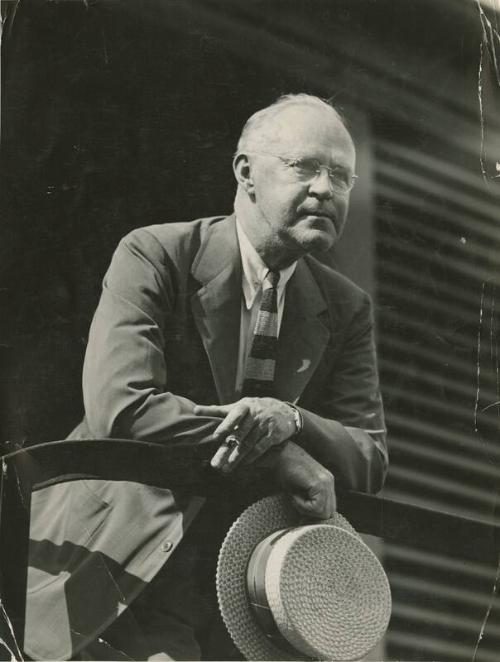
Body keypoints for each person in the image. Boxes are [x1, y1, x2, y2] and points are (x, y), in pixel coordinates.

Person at [25, 93, 388, 661]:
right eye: (304, 167)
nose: (325, 188)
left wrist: (289, 420)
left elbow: (368, 457)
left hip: (249, 586)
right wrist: (274, 450)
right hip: (116, 563)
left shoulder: (346, 306)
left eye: (341, 176)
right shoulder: (156, 254)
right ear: (245, 172)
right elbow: (120, 405)